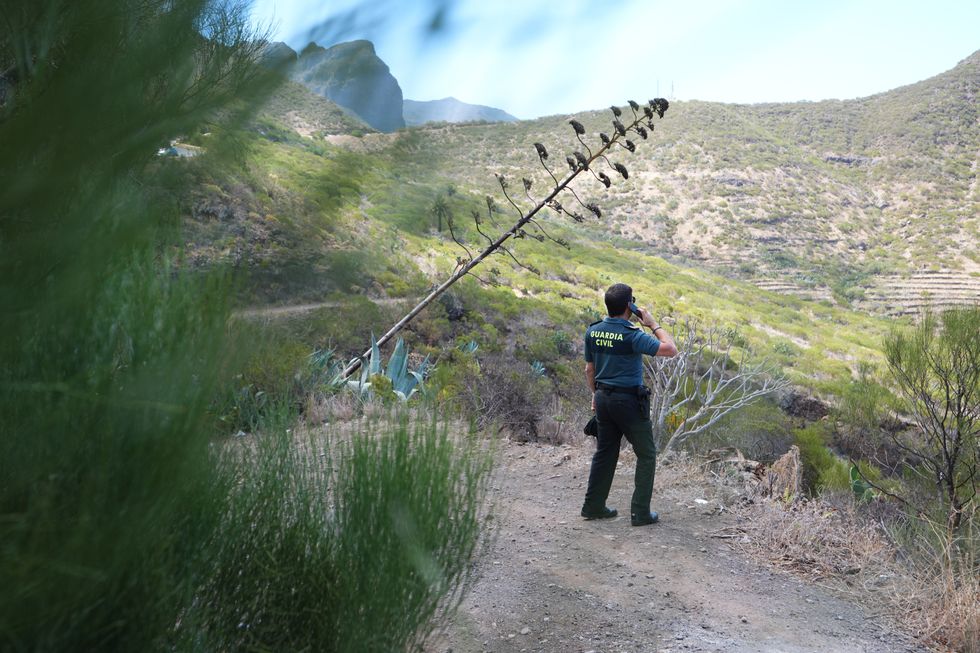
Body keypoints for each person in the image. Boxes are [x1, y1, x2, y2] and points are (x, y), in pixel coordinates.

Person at [580, 283, 677, 526]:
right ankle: (640, 513)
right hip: (629, 402)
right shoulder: (632, 334)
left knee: (605, 452)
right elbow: (670, 349)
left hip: (603, 398)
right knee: (646, 454)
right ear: (629, 306)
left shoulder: (593, 332)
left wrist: (595, 394)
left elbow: (589, 369)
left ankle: (593, 506)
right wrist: (653, 324)